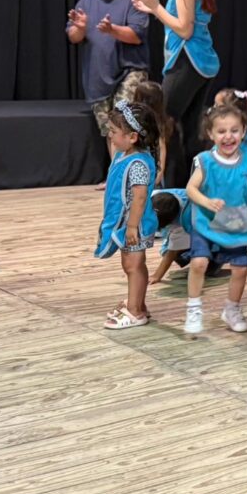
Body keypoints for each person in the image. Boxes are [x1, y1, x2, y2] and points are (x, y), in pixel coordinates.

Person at [132, 0, 220, 173]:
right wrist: (154, 9)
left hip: (187, 60)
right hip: (200, 62)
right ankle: (192, 183)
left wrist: (156, 7)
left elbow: (184, 29)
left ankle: (170, 183)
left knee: (164, 123)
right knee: (189, 128)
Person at [183, 105, 247, 335]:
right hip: (206, 222)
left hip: (235, 224)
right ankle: (194, 308)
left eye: (234, 130)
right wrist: (207, 202)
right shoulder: (206, 160)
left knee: (241, 268)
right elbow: (190, 189)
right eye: (222, 131)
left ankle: (232, 309)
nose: (228, 136)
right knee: (199, 263)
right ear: (211, 134)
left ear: (243, 131)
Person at [66, 0, 149, 162]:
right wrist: (80, 28)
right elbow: (73, 37)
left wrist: (112, 30)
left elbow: (136, 36)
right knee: (111, 131)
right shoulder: (85, 3)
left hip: (130, 72)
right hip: (98, 78)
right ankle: (117, 172)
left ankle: (131, 171)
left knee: (124, 124)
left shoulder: (133, 2)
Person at [95, 101, 160, 330]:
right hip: (129, 223)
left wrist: (132, 227)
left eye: (113, 131)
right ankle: (138, 304)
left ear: (132, 137)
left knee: (133, 265)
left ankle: (134, 312)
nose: (110, 135)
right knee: (134, 265)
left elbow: (140, 198)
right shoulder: (124, 155)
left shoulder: (138, 163)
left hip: (136, 225)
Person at [132, 81, 173, 188]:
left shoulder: (157, 124)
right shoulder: (160, 121)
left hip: (148, 170)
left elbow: (161, 148)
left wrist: (159, 173)